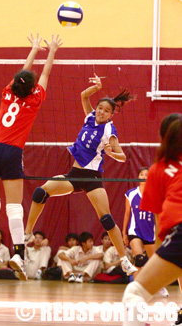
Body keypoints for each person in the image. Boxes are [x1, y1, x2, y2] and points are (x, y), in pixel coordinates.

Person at [24, 74, 137, 276]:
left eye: (106, 111)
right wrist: (97, 87)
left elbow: (122, 157)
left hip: (93, 178)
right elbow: (84, 96)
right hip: (75, 175)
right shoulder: (90, 117)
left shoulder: (109, 130)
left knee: (107, 220)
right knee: (41, 193)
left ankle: (124, 260)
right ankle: (27, 233)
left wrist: (112, 153)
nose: (102, 112)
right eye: (100, 108)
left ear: (111, 115)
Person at [0, 33, 62, 281]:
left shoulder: (7, 92)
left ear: (15, 84)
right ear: (31, 88)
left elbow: (23, 74)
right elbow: (44, 75)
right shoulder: (35, 99)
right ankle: (17, 253)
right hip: (11, 151)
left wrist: (34, 49)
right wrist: (52, 51)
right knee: (14, 207)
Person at [122, 113, 182, 326]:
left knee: (134, 293)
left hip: (178, 232)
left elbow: (159, 225)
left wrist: (160, 253)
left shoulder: (159, 169)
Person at [122, 167, 169, 297]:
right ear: (138, 177)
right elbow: (127, 214)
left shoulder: (155, 194)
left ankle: (159, 286)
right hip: (135, 231)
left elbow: (158, 216)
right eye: (141, 174)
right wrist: (124, 233)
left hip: (150, 232)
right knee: (139, 258)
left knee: (155, 262)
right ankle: (137, 291)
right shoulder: (131, 194)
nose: (144, 176)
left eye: (147, 175)